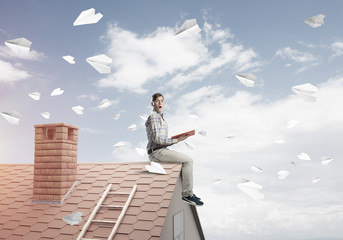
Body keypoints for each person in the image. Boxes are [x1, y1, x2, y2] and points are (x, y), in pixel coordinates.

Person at [145, 93, 203, 206]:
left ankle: (188, 192)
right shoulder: (154, 117)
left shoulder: (162, 119)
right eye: (157, 101)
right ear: (152, 103)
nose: (160, 103)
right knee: (188, 161)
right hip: (157, 152)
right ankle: (187, 195)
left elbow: (161, 139)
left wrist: (177, 138)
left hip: (162, 149)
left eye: (162, 100)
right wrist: (177, 140)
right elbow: (157, 140)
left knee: (184, 163)